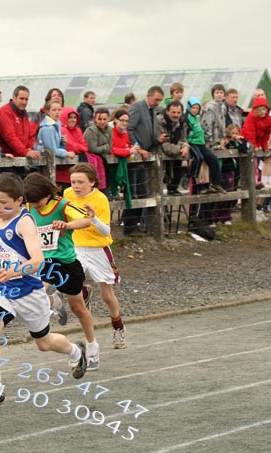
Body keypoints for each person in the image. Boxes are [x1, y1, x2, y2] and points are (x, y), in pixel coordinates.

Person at [0, 172, 88, 413]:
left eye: (4, 203)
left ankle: (76, 352)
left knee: (44, 344)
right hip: (2, 290)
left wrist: (13, 271)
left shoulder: (25, 222)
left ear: (18, 201)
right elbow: (1, 252)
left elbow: (37, 261)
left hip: (29, 292)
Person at [25, 172, 100, 366]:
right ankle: (53, 301)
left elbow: (86, 220)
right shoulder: (28, 206)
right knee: (34, 292)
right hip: (42, 262)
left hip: (66, 264)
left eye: (37, 202)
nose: (34, 206)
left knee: (78, 308)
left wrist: (67, 224)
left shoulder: (62, 205)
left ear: (47, 193)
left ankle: (92, 346)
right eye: (31, 202)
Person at [64, 163, 127, 349]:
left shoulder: (100, 199)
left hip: (98, 249)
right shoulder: (66, 195)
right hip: (75, 247)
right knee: (67, 284)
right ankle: (84, 291)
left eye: (80, 182)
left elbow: (106, 230)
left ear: (92, 182)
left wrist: (93, 218)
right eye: (73, 181)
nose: (76, 186)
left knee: (107, 296)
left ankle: (118, 326)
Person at [124, 86, 166, 235]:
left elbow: (149, 131)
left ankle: (138, 225)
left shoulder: (153, 111)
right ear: (149, 96)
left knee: (144, 191)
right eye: (156, 99)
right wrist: (138, 148)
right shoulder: (137, 107)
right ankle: (129, 227)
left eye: (160, 100)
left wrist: (157, 139)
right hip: (135, 156)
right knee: (133, 191)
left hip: (146, 155)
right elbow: (128, 129)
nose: (158, 103)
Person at [0, 85, 40, 165]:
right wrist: (25, 151)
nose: (24, 102)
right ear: (14, 97)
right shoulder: (5, 112)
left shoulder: (24, 114)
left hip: (20, 158)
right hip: (7, 160)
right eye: (21, 98)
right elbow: (9, 136)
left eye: (26, 99)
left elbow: (29, 134)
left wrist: (29, 148)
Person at [159, 100, 189, 195]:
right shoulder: (159, 122)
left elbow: (183, 139)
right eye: (173, 112)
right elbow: (164, 145)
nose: (176, 115)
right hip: (160, 156)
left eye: (178, 112)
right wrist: (180, 149)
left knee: (178, 166)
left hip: (175, 154)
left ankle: (173, 189)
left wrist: (185, 147)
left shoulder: (182, 123)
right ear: (167, 111)